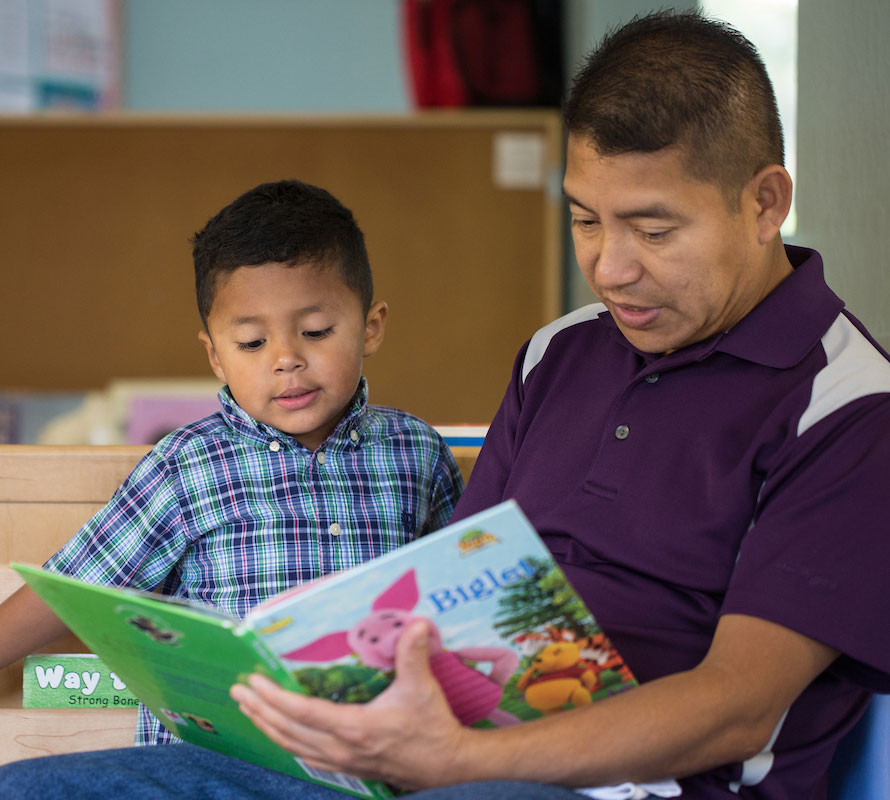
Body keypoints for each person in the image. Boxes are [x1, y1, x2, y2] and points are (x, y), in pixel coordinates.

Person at [2, 10, 889, 799]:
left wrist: (455, 762)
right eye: (586, 219)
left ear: (765, 202)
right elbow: (457, 588)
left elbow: (738, 709)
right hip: (416, 759)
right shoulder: (561, 352)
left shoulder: (849, 406)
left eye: (653, 230)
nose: (611, 268)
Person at [0, 179, 463, 746]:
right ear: (216, 356)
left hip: (381, 755)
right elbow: (71, 586)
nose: (287, 359)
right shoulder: (185, 467)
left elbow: (461, 596)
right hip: (221, 761)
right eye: (250, 343)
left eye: (316, 331)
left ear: (371, 327)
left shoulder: (415, 452)